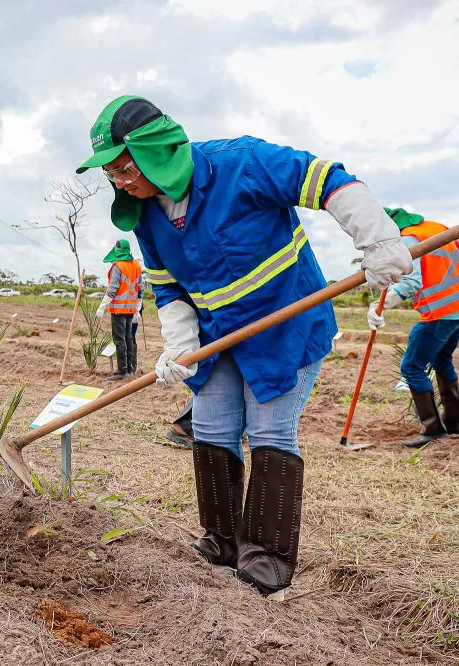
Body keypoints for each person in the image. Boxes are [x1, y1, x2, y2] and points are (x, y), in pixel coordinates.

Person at [76, 95, 412, 595]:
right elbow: (166, 282)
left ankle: (266, 560)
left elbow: (329, 180)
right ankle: (221, 542)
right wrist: (180, 341)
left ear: (157, 152)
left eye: (125, 169)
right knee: (210, 425)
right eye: (113, 176)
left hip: (284, 326)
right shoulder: (145, 215)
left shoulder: (243, 163)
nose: (121, 183)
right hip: (217, 336)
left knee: (269, 428)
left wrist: (378, 240)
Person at [367, 207, 459, 449]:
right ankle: (455, 422)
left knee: (412, 367)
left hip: (438, 313)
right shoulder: (435, 229)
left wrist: (382, 304)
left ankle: (433, 429)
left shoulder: (408, 239)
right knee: (442, 360)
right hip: (456, 310)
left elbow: (411, 281)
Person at [97, 239, 142, 379]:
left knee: (119, 340)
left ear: (118, 250)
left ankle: (121, 372)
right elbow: (141, 289)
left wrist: (101, 307)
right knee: (129, 338)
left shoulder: (118, 266)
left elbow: (112, 289)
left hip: (118, 310)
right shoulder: (136, 265)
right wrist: (137, 308)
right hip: (130, 310)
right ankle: (130, 369)